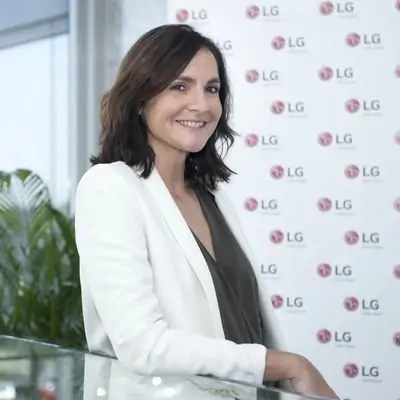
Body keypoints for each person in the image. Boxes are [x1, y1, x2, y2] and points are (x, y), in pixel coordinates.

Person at [74, 24, 337, 399]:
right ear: (139, 98)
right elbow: (142, 344)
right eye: (180, 87)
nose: (201, 104)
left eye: (211, 89)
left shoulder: (213, 196)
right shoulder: (110, 187)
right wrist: (287, 364)